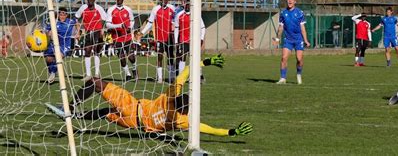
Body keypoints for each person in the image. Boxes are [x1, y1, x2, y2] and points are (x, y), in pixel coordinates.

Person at [45, 54, 253, 137]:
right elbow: (207, 129)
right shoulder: (182, 121)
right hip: (133, 124)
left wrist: (205, 62)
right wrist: (231, 132)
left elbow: (186, 72)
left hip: (132, 106)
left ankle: (69, 110)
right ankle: (73, 117)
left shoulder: (171, 95)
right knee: (105, 113)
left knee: (96, 83)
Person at [273, 0, 310, 85]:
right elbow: (281, 27)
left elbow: (302, 28)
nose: (290, 1)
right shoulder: (283, 13)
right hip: (288, 40)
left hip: (298, 40)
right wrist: (278, 38)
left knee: (299, 59)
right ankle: (283, 78)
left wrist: (305, 40)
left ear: (295, 1)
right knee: (284, 58)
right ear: (287, 1)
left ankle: (298, 74)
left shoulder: (299, 13)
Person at [138, 0, 176, 83]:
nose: (164, 1)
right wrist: (142, 32)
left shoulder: (172, 8)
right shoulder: (155, 9)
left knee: (171, 57)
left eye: (165, 0)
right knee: (159, 56)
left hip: (169, 37)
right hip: (160, 37)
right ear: (160, 0)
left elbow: (175, 21)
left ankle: (171, 77)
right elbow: (150, 22)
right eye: (162, 0)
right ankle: (160, 78)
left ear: (168, 0)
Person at [173, 0, 206, 83]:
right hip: (183, 41)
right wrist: (176, 41)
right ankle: (181, 77)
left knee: (195, 59)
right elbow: (176, 29)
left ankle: (199, 76)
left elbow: (202, 28)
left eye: (187, 3)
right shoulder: (179, 15)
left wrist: (201, 39)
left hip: (194, 41)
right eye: (184, 3)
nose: (186, 5)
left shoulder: (196, 15)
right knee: (182, 58)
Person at [75, 0, 108, 80]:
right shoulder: (83, 8)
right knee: (87, 51)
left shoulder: (99, 8)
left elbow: (105, 18)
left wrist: (102, 30)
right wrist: (78, 31)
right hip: (88, 32)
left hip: (97, 31)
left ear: (94, 0)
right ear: (87, 0)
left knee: (97, 51)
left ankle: (97, 74)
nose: (90, 1)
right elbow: (76, 17)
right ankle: (88, 75)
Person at [106, 0, 137, 81]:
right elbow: (107, 24)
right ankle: (127, 74)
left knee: (131, 56)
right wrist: (119, 26)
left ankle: (134, 69)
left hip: (127, 36)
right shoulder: (111, 10)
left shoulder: (128, 9)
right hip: (116, 37)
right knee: (121, 57)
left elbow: (132, 20)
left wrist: (130, 28)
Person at [44, 7, 77, 84]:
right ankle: (52, 71)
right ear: (58, 15)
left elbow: (77, 23)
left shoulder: (70, 22)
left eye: (64, 14)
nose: (62, 16)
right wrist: (49, 33)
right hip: (54, 43)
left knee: (59, 56)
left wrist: (77, 32)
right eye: (60, 14)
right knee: (48, 59)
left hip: (65, 45)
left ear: (66, 15)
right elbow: (47, 30)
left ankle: (53, 73)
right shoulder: (54, 22)